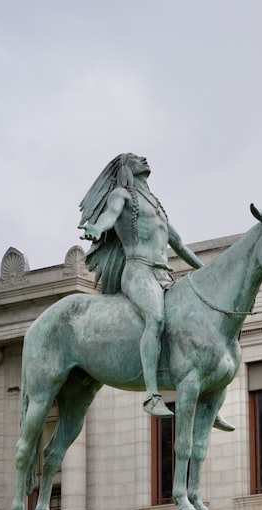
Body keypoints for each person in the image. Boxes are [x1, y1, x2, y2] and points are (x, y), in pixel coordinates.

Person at [78, 153, 233, 430]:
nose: (144, 159)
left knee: (188, 325)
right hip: (138, 272)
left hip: (163, 274)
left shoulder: (156, 207)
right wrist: (95, 228)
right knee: (156, 319)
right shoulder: (121, 195)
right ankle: (151, 394)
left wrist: (208, 272)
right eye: (136, 158)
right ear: (126, 168)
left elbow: (181, 246)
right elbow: (109, 218)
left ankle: (207, 400)